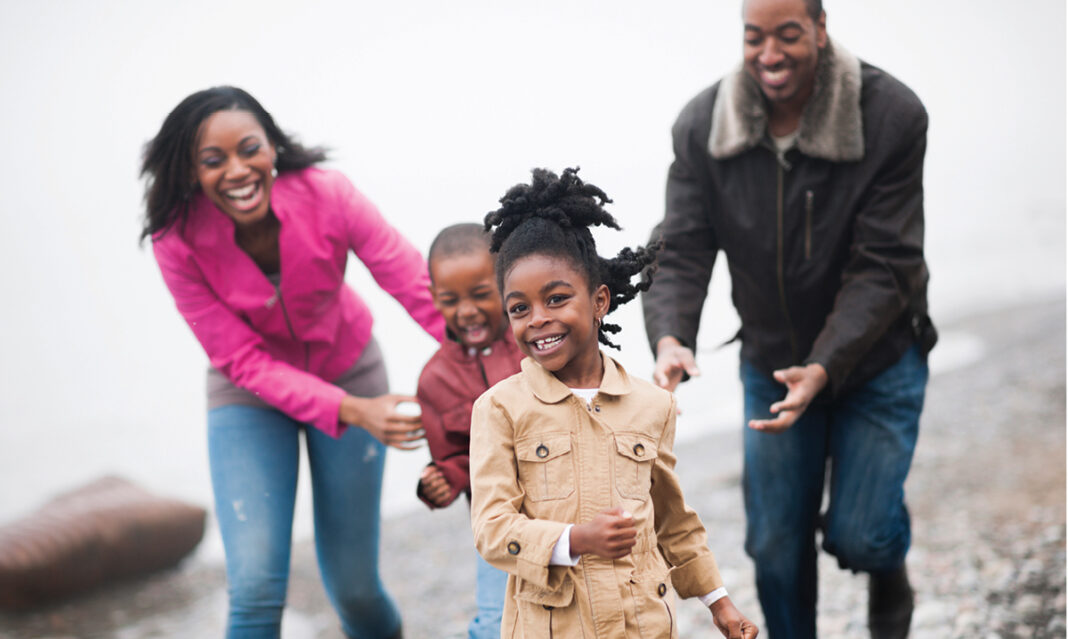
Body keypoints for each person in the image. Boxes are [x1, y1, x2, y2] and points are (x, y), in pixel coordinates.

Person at [641, 1, 937, 637]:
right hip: (771, 363)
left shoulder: (892, 115)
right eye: (754, 37)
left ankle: (887, 567)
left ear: (821, 29)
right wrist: (671, 336)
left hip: (879, 357)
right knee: (775, 546)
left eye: (788, 34)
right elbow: (681, 246)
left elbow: (885, 263)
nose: (769, 54)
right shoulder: (702, 126)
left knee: (864, 535)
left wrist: (825, 365)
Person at [140, 86, 444, 639]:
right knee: (255, 592)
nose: (237, 170)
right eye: (214, 160)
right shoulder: (175, 239)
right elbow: (241, 360)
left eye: (249, 149)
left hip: (350, 368)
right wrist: (354, 410)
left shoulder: (328, 194)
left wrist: (491, 354)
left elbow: (413, 283)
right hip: (249, 398)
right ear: (190, 172)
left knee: (356, 590)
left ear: (272, 147)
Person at [470, 168, 758, 639]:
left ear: (599, 300)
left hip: (641, 624)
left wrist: (719, 602)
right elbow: (492, 529)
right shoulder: (500, 409)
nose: (537, 319)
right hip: (553, 627)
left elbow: (674, 522)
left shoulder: (652, 405)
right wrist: (575, 540)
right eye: (519, 308)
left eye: (556, 299)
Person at [413, 223, 524, 639]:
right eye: (450, 300)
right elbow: (457, 457)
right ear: (433, 297)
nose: (467, 310)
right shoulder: (435, 380)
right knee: (497, 625)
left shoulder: (536, 340)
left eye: (480, 294)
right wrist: (441, 479)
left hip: (569, 507)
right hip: (499, 524)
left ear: (505, 282)